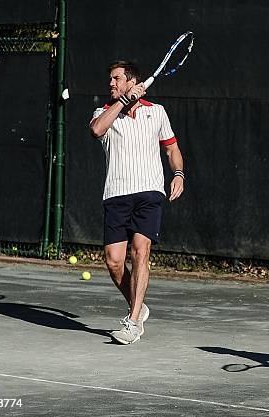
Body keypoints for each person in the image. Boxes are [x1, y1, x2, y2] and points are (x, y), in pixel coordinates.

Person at [89, 61, 185, 344]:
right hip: (116, 195)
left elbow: (172, 149)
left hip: (149, 193)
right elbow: (96, 131)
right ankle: (138, 307)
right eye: (110, 79)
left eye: (117, 79)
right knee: (114, 262)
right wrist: (121, 101)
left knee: (140, 252)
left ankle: (132, 323)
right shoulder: (103, 112)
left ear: (132, 81)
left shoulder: (157, 112)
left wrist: (178, 173)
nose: (111, 83)